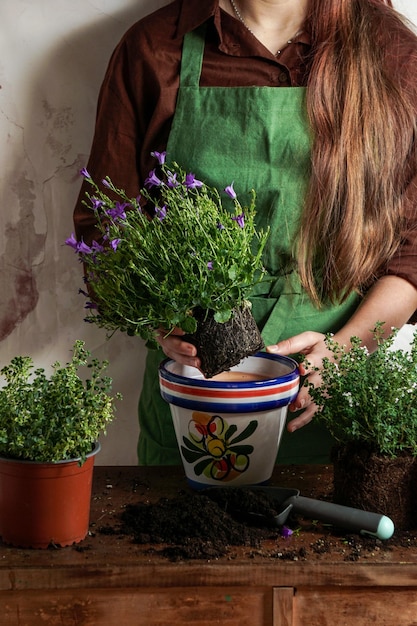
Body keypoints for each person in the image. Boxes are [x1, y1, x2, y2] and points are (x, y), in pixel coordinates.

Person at [74, 0, 417, 465]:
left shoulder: (392, 54)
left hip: (333, 405)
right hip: (195, 394)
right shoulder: (155, 48)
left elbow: (412, 251)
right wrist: (159, 322)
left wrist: (345, 350)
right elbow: (104, 227)